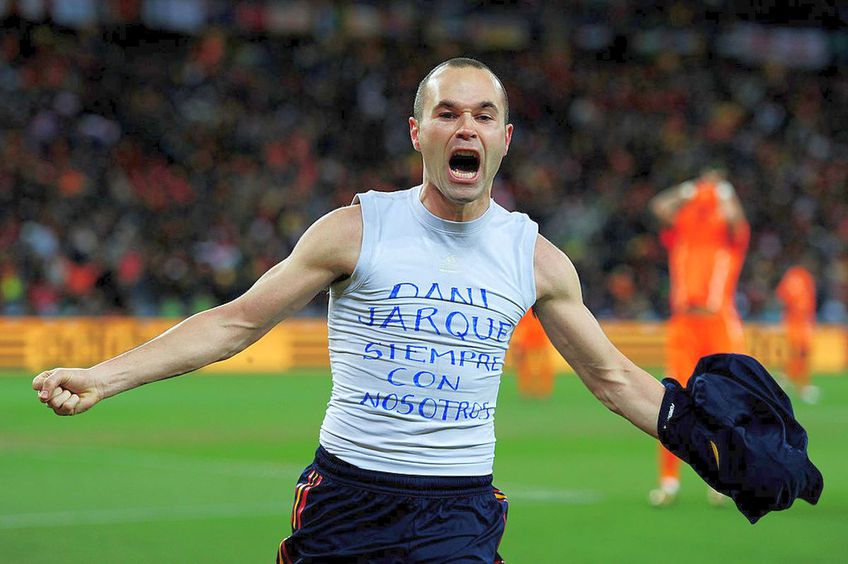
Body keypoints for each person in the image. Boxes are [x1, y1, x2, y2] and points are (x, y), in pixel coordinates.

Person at [33, 59, 815, 561]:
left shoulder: (535, 258)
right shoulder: (355, 228)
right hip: (346, 499)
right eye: (447, 113)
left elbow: (615, 379)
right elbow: (235, 322)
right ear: (419, 132)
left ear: (505, 139)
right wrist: (106, 376)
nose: (464, 126)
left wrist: (711, 445)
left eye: (482, 115)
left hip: (458, 514)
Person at [648, 167, 750, 507]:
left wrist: (725, 192)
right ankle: (669, 482)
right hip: (684, 325)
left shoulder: (729, 230)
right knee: (673, 400)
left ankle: (723, 480)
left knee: (723, 403)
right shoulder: (685, 224)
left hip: (718, 322)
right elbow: (659, 206)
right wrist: (688, 189)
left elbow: (736, 219)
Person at [776, 259, 819, 404]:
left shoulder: (802, 276)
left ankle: (795, 382)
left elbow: (781, 296)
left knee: (803, 352)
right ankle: (795, 383)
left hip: (802, 321)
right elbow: (783, 296)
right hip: (795, 321)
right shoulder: (799, 276)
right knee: (796, 352)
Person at [511, 310, 555, 399]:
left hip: (540, 342)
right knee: (525, 367)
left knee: (543, 367)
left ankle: (543, 390)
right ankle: (526, 390)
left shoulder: (540, 309)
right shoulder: (526, 311)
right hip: (528, 342)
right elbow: (520, 326)